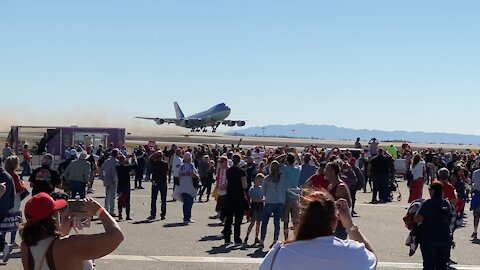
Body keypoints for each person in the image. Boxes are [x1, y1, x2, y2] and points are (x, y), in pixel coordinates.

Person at [258, 191, 377, 270]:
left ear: (301, 219)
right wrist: (350, 225)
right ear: (335, 222)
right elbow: (372, 257)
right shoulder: (353, 252)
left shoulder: (278, 253)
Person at [19, 193, 124, 269]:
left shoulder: (25, 247)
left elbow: (48, 248)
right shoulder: (69, 245)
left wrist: (61, 232)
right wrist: (99, 210)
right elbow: (117, 236)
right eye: (57, 212)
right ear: (52, 218)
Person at [414, 181, 452, 270]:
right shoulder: (446, 203)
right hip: (444, 239)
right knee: (442, 266)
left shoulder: (427, 203)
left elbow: (418, 218)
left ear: (433, 191)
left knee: (428, 265)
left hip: (429, 239)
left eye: (430, 190)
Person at [260, 161, 288, 248]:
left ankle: (262, 240)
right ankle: (275, 240)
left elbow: (263, 192)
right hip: (279, 202)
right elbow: (286, 188)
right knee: (276, 223)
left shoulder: (267, 179)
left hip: (269, 202)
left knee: (264, 222)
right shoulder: (283, 178)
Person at [223, 154, 248, 244]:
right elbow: (244, 185)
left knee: (229, 218)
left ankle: (227, 238)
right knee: (238, 219)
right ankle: (237, 238)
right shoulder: (242, 172)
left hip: (230, 195)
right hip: (239, 196)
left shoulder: (228, 171)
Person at [276, 152, 301, 241]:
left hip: (286, 196)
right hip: (295, 196)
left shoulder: (284, 169)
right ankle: (295, 237)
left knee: (285, 221)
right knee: (296, 221)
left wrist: (284, 155)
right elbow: (300, 162)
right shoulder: (297, 169)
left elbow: (276, 161)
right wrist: (296, 155)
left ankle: (286, 238)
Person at [325, 162, 352, 240]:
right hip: (330, 223)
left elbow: (348, 204)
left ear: (333, 172)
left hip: (340, 224)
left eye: (327, 170)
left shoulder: (341, 187)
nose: (325, 172)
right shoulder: (330, 186)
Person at [4, 156, 26, 249]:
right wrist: (23, 184)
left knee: (5, 219)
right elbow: (20, 188)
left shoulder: (4, 174)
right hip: (15, 197)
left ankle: (3, 240)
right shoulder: (14, 175)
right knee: (14, 218)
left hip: (5, 198)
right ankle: (12, 240)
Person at [176, 152, 199, 224]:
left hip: (183, 186)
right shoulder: (191, 165)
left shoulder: (182, 166)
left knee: (185, 203)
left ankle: (185, 217)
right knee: (189, 202)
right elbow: (192, 174)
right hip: (190, 186)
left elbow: (179, 176)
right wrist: (197, 177)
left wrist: (180, 184)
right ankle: (187, 218)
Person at [0, 159, 15, 263]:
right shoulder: (8, 176)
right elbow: (12, 195)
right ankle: (4, 246)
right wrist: (9, 206)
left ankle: (4, 246)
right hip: (4, 208)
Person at [148, 151, 169, 221]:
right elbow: (167, 170)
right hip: (163, 182)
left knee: (154, 199)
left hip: (155, 182)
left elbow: (150, 158)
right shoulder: (165, 163)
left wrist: (155, 153)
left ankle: (153, 214)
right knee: (163, 200)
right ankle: (163, 214)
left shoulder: (154, 163)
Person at [244, 173, 265, 245]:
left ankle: (256, 237)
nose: (260, 182)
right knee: (252, 222)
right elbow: (253, 199)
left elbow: (263, 196)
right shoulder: (252, 189)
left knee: (258, 223)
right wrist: (263, 200)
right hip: (255, 206)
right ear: (256, 180)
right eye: (259, 180)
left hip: (261, 206)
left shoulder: (261, 188)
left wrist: (263, 200)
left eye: (261, 181)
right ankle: (247, 236)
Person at [115, 155, 136, 221]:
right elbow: (135, 165)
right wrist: (134, 158)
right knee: (127, 201)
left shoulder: (117, 167)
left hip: (120, 185)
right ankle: (127, 215)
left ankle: (120, 215)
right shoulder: (127, 167)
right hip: (126, 185)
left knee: (120, 201)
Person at [99, 149, 119, 216]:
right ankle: (111, 211)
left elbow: (101, 169)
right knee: (112, 196)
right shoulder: (116, 162)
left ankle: (106, 209)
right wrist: (116, 180)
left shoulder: (107, 161)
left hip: (107, 179)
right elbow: (114, 172)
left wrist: (102, 177)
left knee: (107, 195)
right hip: (113, 180)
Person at [471, 167, 480, 239]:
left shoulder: (475, 173)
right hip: (477, 194)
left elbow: (473, 182)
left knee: (476, 215)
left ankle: (475, 231)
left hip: (477, 195)